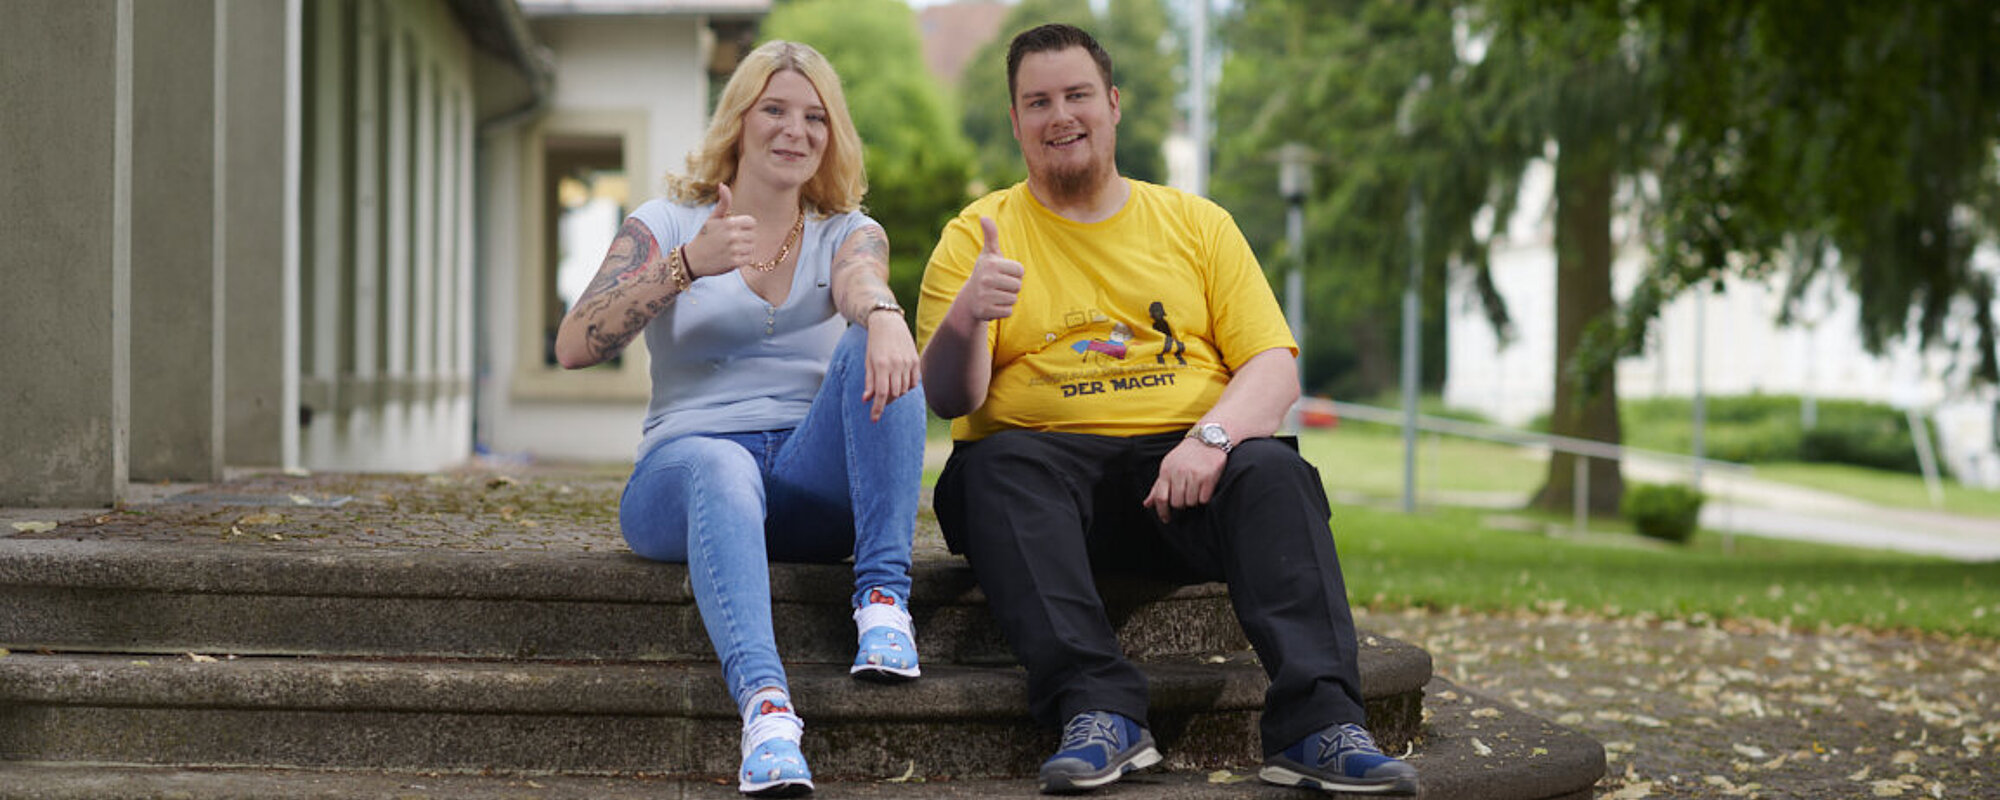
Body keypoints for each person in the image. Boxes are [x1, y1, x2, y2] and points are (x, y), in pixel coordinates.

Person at [915, 23, 1419, 797]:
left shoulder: (1197, 224)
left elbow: (1272, 367)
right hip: (1045, 481)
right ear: (1015, 121)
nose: (1061, 115)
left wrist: (1210, 439)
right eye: (1038, 101)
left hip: (1190, 475)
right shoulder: (975, 238)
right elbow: (952, 398)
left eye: (1077, 95)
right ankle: (1099, 715)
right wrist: (967, 316)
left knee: (1273, 470)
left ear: (1113, 105)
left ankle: (1320, 727)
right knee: (989, 470)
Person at [555, 40, 925, 799]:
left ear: (832, 134)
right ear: (740, 120)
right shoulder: (666, 222)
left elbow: (860, 277)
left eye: (815, 117)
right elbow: (572, 343)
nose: (796, 130)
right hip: (684, 476)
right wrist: (688, 263)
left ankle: (883, 599)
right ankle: (766, 714)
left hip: (803, 482)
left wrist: (884, 313)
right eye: (776, 111)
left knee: (879, 338)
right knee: (721, 464)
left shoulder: (845, 228)